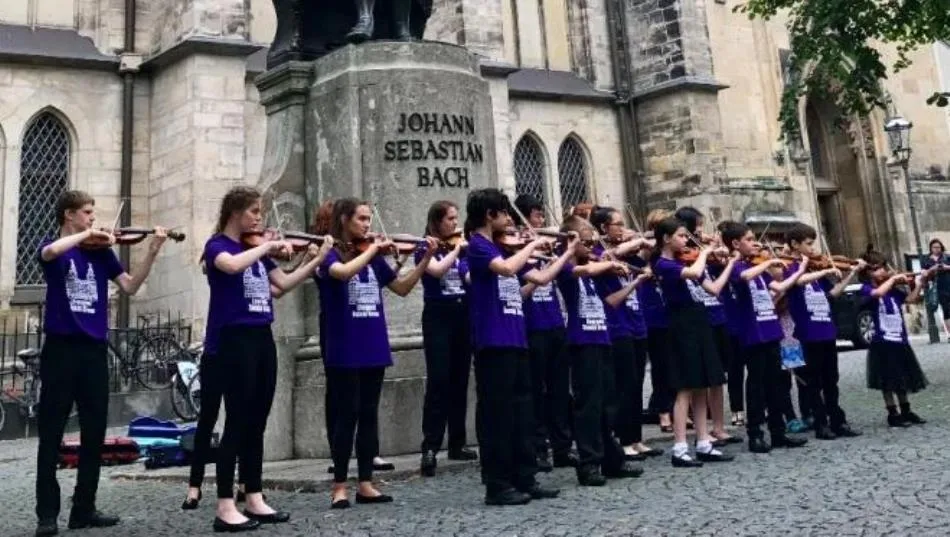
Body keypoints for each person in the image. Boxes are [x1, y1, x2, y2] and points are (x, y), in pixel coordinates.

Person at [34, 191, 168, 537]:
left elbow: (130, 286)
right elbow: (49, 253)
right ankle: (47, 515)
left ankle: (84, 509)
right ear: (69, 215)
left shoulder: (101, 253)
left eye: (93, 213)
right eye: (87, 212)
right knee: (51, 433)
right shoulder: (54, 247)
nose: (93, 218)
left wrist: (152, 251)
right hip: (61, 351)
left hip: (94, 351)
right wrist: (87, 236)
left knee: (94, 432)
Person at [205, 186, 325, 532]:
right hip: (233, 339)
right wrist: (267, 247)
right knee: (236, 422)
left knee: (257, 421)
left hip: (261, 337)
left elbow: (282, 284)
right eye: (255, 211)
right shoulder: (219, 246)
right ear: (235, 213)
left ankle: (254, 496)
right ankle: (225, 505)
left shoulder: (255, 251)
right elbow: (230, 267)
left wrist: (314, 261)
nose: (260, 218)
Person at [319, 198, 437, 507]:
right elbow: (342, 273)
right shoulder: (329, 253)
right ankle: (340, 485)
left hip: (373, 343)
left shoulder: (370, 257)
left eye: (368, 218)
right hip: (345, 345)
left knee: (369, 415)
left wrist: (424, 260)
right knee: (347, 416)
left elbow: (401, 287)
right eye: (361, 218)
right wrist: (373, 250)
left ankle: (366, 482)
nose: (367, 224)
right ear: (344, 220)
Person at [465, 188, 559, 506]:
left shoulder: (502, 247)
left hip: (517, 337)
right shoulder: (478, 246)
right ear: (489, 215)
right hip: (494, 341)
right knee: (499, 415)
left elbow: (540, 278)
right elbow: (506, 269)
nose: (509, 219)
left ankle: (525, 477)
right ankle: (498, 483)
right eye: (504, 213)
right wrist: (532, 244)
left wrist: (566, 253)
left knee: (522, 413)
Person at [182, 275, 290, 510]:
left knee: (246, 419)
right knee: (208, 418)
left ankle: (244, 484)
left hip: (242, 351)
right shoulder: (226, 264)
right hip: (216, 352)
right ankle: (194, 485)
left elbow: (278, 288)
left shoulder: (255, 270)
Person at [651, 217, 738, 467]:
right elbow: (695, 272)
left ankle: (703, 442)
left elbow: (714, 289)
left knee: (702, 384)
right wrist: (706, 252)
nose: (685, 240)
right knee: (685, 388)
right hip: (681, 326)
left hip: (699, 322)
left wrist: (731, 264)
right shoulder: (664, 264)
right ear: (666, 239)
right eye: (680, 236)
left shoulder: (684, 261)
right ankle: (680, 447)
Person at [720, 221, 809, 454]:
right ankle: (756, 434)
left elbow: (779, 287)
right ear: (735, 243)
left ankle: (778, 432)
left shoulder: (756, 267)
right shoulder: (735, 266)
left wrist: (800, 270)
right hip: (753, 333)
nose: (755, 244)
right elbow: (744, 276)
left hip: (770, 329)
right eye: (749, 240)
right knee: (756, 385)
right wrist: (768, 263)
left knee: (775, 383)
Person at [589, 206, 659, 458]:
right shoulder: (599, 255)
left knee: (636, 385)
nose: (622, 228)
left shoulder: (628, 255)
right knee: (624, 387)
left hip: (637, 325)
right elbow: (611, 295)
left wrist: (645, 244)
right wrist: (636, 242)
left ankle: (636, 438)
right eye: (617, 224)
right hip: (617, 327)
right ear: (603, 228)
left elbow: (649, 260)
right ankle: (624, 440)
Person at [514, 194, 576, 471]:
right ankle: (538, 447)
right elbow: (521, 291)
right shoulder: (517, 251)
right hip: (531, 326)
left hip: (554, 323)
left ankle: (562, 447)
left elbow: (566, 275)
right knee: (535, 391)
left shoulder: (546, 247)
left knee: (559, 389)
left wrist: (559, 255)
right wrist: (542, 263)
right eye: (537, 216)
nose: (541, 221)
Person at [784, 223, 863, 440]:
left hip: (826, 331)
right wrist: (826, 270)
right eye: (808, 244)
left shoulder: (816, 271)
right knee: (813, 381)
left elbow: (833, 293)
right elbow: (798, 281)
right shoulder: (791, 268)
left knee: (831, 380)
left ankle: (837, 420)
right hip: (808, 334)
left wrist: (850, 274)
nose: (813, 248)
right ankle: (820, 423)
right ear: (795, 245)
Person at [419, 200, 478, 477]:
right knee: (438, 380)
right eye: (450, 219)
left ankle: (458, 442)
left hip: (461, 313)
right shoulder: (426, 246)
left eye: (456, 218)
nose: (455, 223)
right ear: (437, 221)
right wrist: (456, 249)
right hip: (438, 315)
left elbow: (467, 277)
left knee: (459, 378)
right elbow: (435, 270)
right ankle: (430, 446)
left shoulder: (461, 248)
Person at [674, 207, 741, 446]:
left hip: (717, 314)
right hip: (699, 318)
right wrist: (706, 252)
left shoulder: (706, 250)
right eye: (698, 227)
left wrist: (721, 256)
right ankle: (701, 429)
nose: (702, 232)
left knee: (718, 376)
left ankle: (719, 427)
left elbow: (718, 278)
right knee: (699, 378)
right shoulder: (683, 254)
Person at [860, 248, 930, 427]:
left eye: (884, 267)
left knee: (902, 377)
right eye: (878, 268)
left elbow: (910, 299)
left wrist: (920, 283)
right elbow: (877, 294)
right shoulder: (867, 288)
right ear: (868, 272)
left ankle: (906, 410)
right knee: (887, 379)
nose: (883, 271)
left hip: (899, 339)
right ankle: (892, 412)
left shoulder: (892, 290)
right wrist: (892, 279)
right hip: (882, 341)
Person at [641, 209, 675, 431]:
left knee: (673, 364)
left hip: (670, 310)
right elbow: (645, 258)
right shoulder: (647, 248)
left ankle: (675, 408)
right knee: (660, 365)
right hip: (652, 311)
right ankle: (663, 411)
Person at [921, 238, 950, 341]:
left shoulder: (947, 257)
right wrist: (933, 268)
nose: (937, 249)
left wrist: (946, 267)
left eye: (938, 247)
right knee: (946, 310)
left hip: (948, 283)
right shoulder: (927, 259)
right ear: (931, 248)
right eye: (934, 247)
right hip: (938, 287)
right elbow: (924, 273)